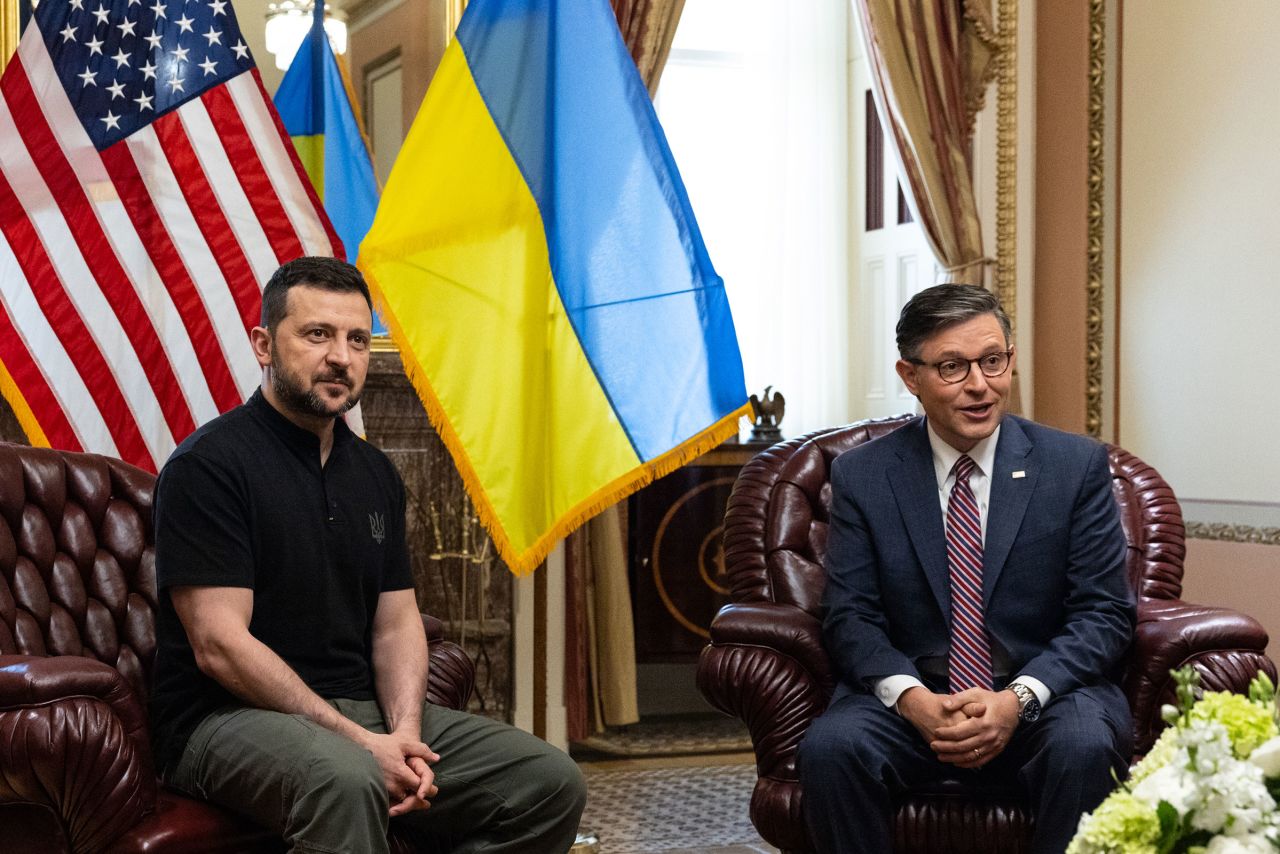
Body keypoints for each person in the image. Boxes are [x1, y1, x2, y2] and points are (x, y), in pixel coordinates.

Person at [149, 256, 586, 854]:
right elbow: (220, 647)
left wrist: (403, 733)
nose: (341, 357)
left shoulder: (374, 472)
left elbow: (396, 622)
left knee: (548, 782)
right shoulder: (209, 467)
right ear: (263, 345)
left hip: (360, 710)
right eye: (317, 334)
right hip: (221, 719)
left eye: (357, 339)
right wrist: (358, 741)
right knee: (345, 779)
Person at [795, 284, 1135, 854]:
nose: (980, 385)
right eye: (953, 367)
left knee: (1083, 746)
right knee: (833, 748)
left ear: (1010, 359)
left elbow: (1104, 612)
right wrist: (912, 699)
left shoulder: (1073, 466)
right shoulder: (864, 475)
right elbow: (850, 616)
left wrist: (1018, 698)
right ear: (911, 376)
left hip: (1043, 694)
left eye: (993, 361)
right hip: (917, 697)